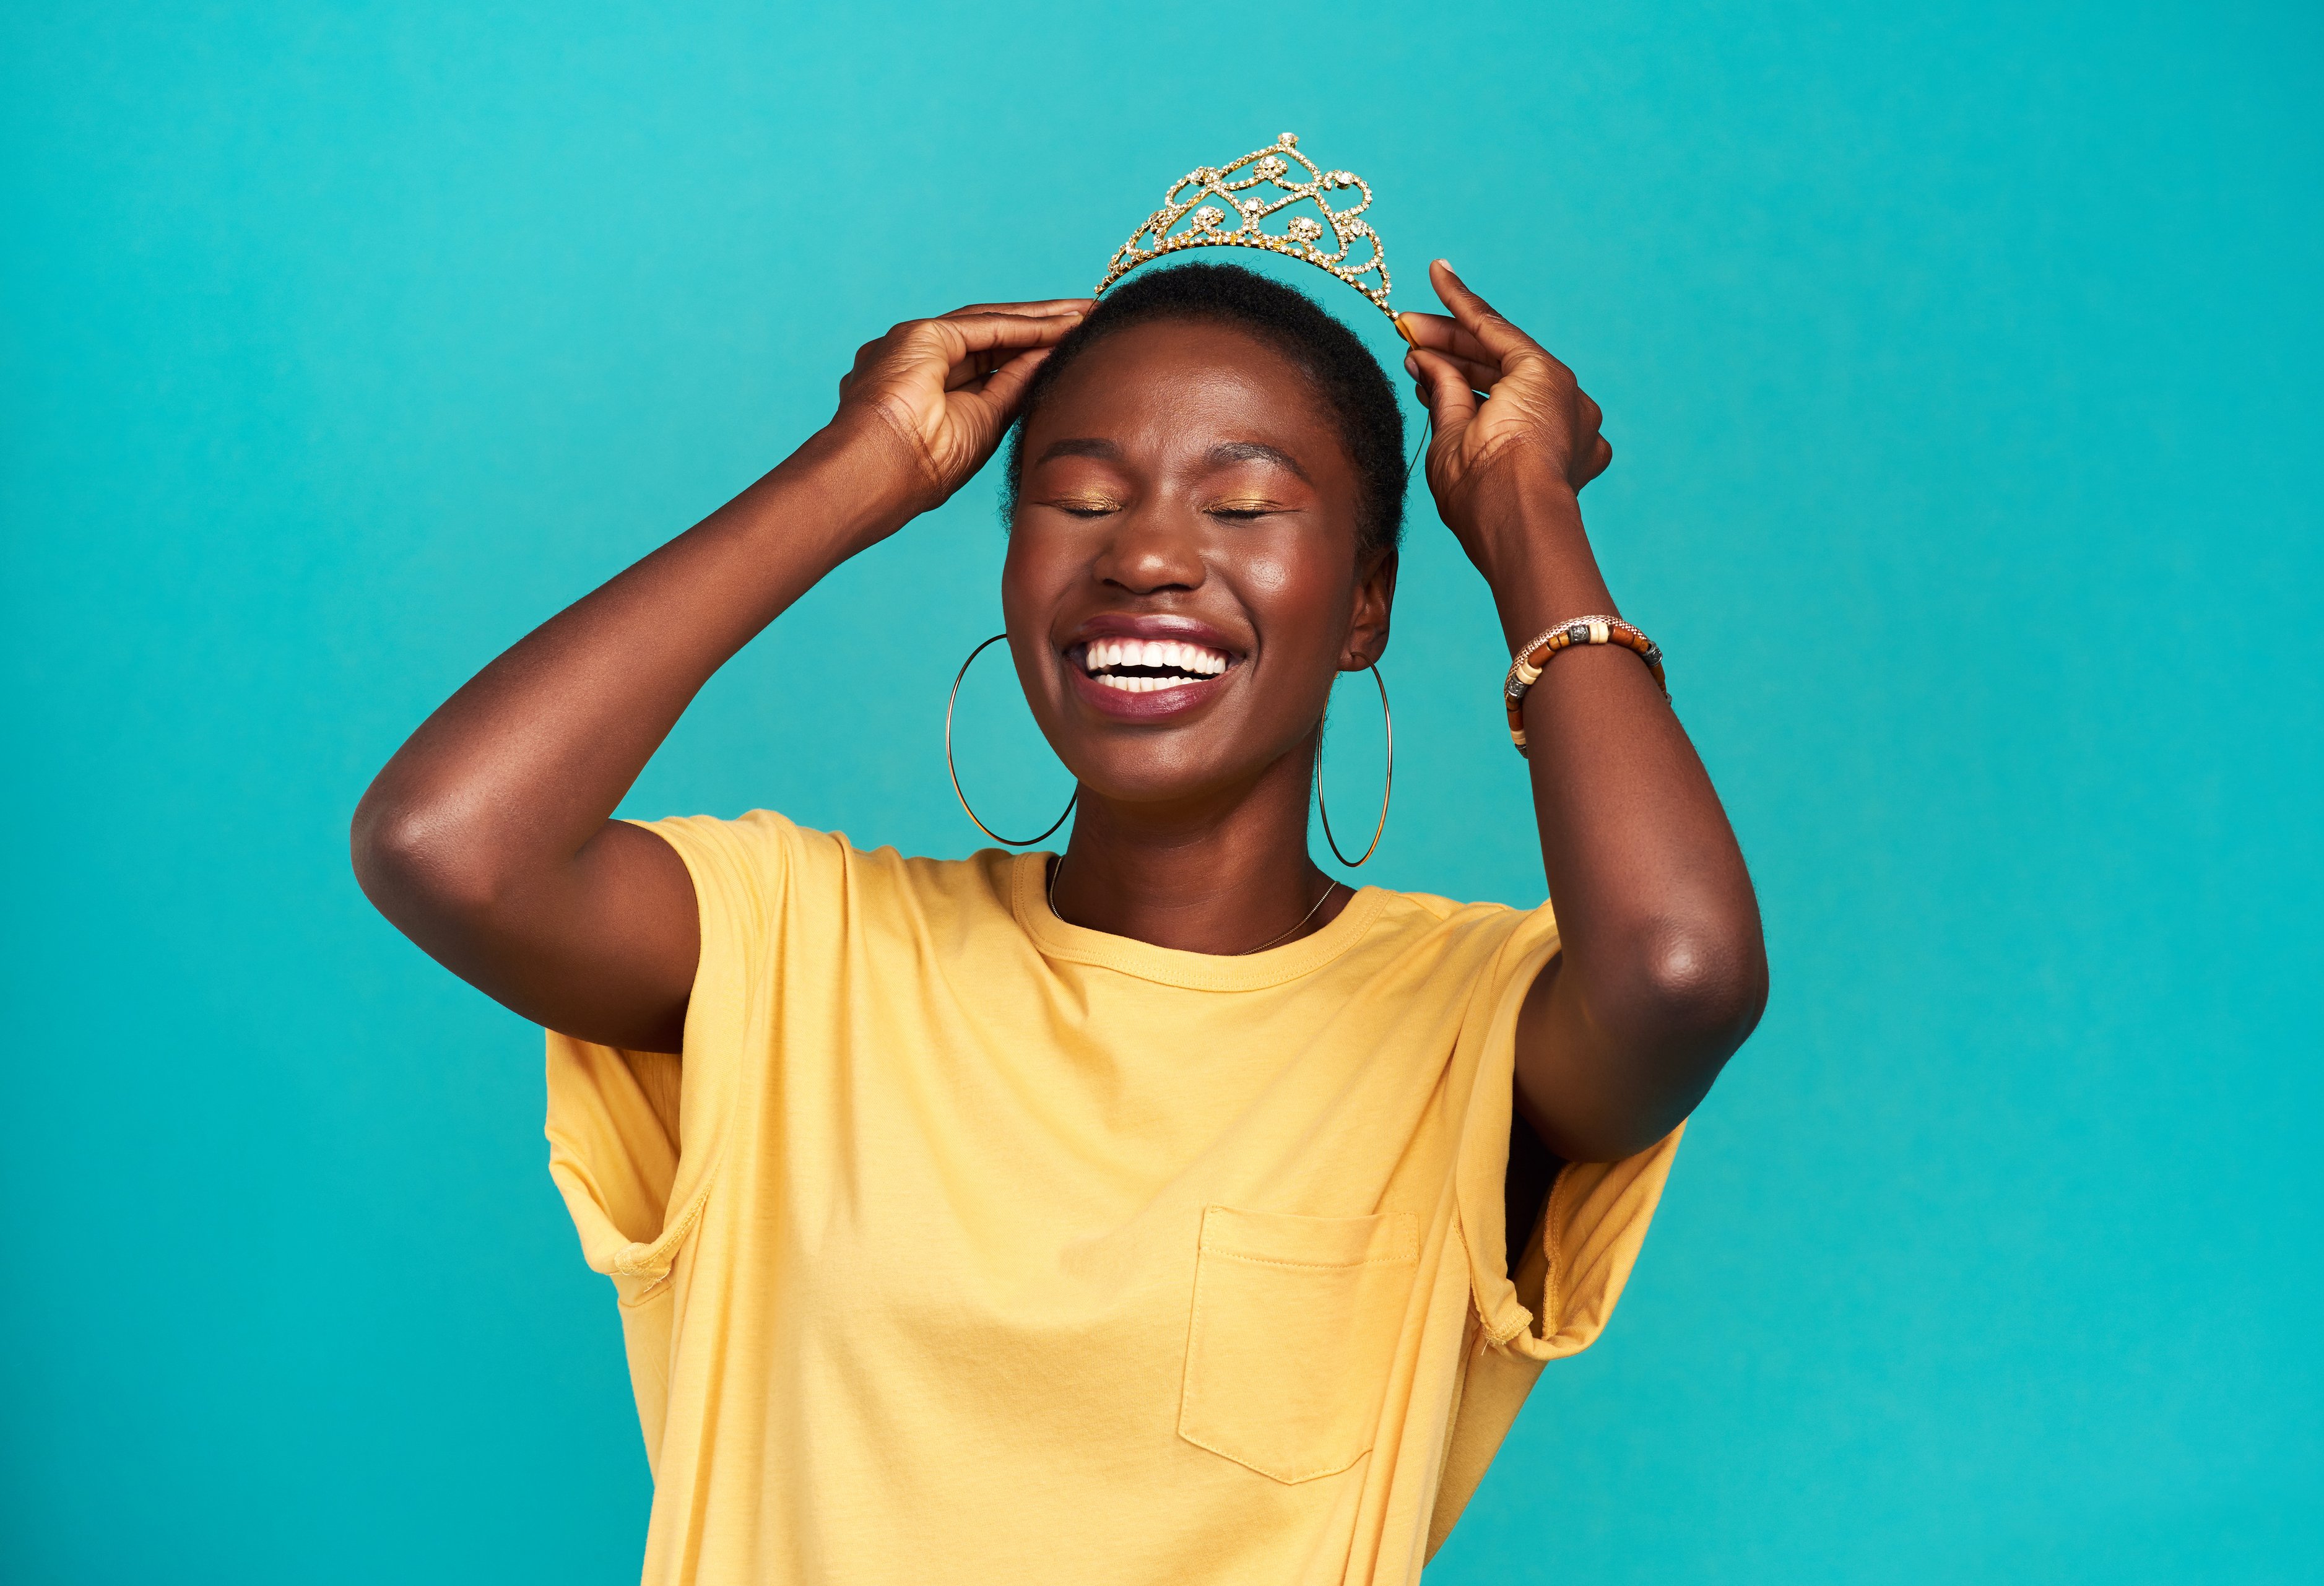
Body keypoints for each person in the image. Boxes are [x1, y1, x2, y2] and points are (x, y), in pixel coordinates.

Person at [352, 256, 1767, 1584]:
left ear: (1364, 605)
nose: (1147, 556)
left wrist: (1527, 512)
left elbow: (1682, 972)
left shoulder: (1469, 1023)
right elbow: (448, 845)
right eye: (1080, 502)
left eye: (1243, 507)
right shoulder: (799, 945)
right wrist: (859, 473)